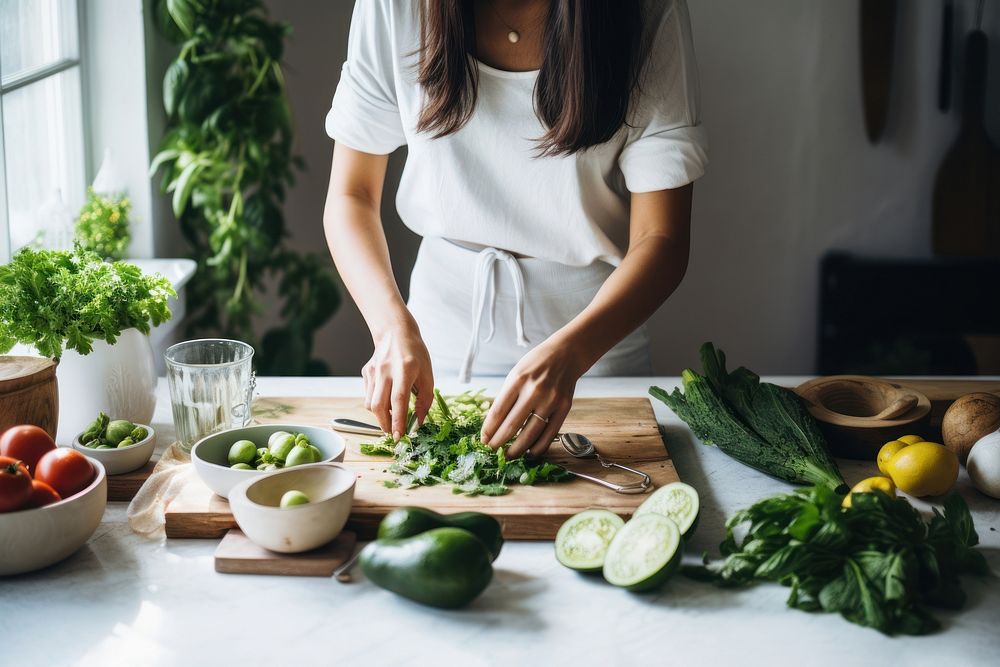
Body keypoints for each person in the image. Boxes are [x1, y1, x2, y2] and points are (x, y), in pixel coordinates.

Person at [323, 0, 707, 458]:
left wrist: (572, 353)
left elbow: (661, 239)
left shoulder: (646, 12)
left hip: (592, 349)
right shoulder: (395, 7)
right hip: (434, 344)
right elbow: (351, 197)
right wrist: (390, 328)